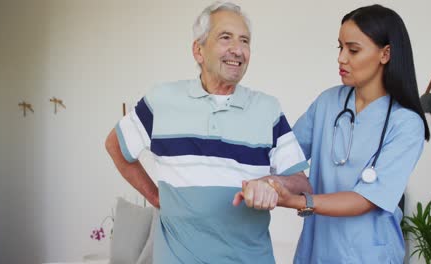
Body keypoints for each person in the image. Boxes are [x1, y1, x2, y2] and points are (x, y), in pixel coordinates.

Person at [105, 1, 311, 263]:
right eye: (226, 38)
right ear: (198, 50)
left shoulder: (267, 109)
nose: (237, 50)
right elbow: (115, 146)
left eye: (244, 41)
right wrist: (155, 196)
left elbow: (303, 183)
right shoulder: (162, 100)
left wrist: (272, 184)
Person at [263, 4, 430, 263]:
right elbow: (284, 156)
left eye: (353, 50)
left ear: (385, 54)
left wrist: (296, 201)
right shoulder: (328, 103)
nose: (341, 58)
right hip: (317, 249)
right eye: (340, 47)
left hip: (370, 254)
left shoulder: (406, 124)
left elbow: (366, 200)